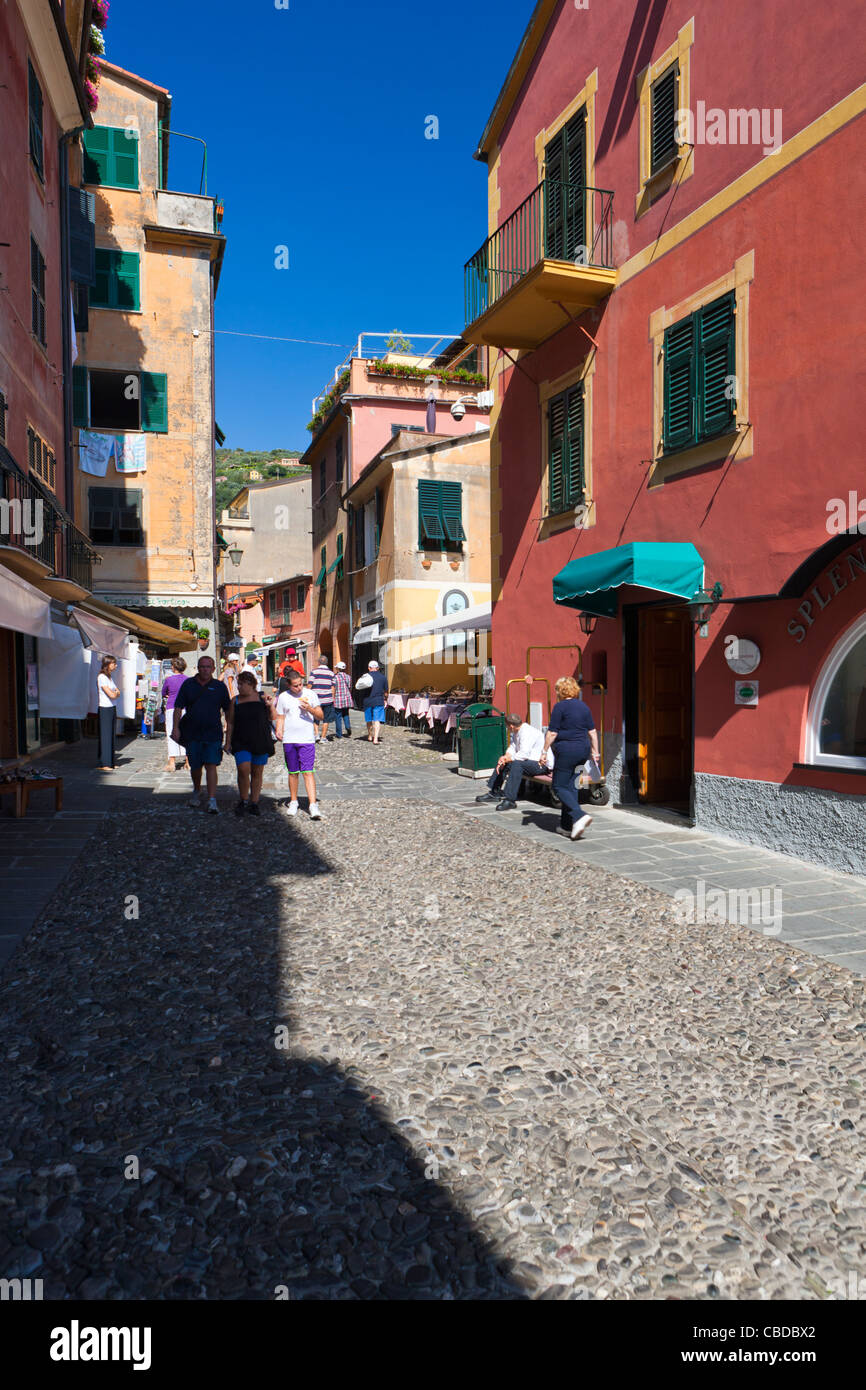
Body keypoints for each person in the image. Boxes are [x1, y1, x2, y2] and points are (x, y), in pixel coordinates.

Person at [540, 675, 600, 841]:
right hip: (583, 750)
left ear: (560, 691)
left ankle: (580, 815)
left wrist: (544, 751)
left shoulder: (560, 707)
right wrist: (596, 752)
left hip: (567, 750)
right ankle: (568, 826)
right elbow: (592, 732)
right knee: (571, 787)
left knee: (558, 786)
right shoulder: (583, 707)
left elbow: (552, 733)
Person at [172, 655, 234, 815]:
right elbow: (178, 707)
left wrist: (229, 736)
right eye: (202, 666)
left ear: (213, 669)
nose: (205, 669)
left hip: (213, 733)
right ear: (198, 668)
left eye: (208, 667)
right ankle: (197, 790)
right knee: (195, 766)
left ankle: (212, 799)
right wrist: (176, 728)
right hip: (192, 733)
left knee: (211, 765)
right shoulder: (188, 684)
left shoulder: (219, 687)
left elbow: (228, 711)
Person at [475, 712, 551, 810]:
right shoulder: (517, 731)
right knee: (506, 762)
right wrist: (505, 757)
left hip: (541, 765)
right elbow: (513, 747)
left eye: (507, 726)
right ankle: (495, 792)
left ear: (511, 726)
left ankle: (510, 800)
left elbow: (524, 754)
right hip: (528, 762)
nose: (507, 728)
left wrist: (508, 759)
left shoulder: (528, 732)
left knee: (517, 764)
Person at [275, 670, 323, 819]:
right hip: (290, 739)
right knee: (293, 772)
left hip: (306, 739)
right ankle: (294, 801)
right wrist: (278, 730)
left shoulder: (311, 694)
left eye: (301, 684)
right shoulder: (283, 697)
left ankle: (313, 805)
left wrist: (309, 708)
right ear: (288, 685)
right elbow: (281, 717)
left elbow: (321, 715)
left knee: (308, 771)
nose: (299, 688)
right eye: (295, 686)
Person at [228, 670, 274, 817]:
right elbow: (230, 722)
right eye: (238, 684)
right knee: (243, 769)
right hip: (240, 740)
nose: (239, 687)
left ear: (251, 684)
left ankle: (254, 802)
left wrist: (270, 705)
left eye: (241, 684)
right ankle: (243, 799)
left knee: (257, 772)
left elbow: (273, 717)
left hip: (260, 739)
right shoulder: (235, 701)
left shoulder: (261, 697)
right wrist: (227, 741)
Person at [161, 657, 187, 772]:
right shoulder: (188, 680)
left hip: (172, 707)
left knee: (171, 733)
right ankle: (188, 761)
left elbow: (163, 692)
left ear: (173, 667)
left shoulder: (169, 679)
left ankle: (172, 762)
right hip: (185, 708)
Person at [96, 655, 120, 770]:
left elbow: (117, 691)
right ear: (107, 664)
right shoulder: (102, 677)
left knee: (111, 735)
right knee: (105, 736)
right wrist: (115, 694)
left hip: (112, 707)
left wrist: (115, 693)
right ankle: (105, 763)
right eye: (113, 663)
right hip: (105, 708)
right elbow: (112, 694)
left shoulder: (109, 677)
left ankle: (110, 762)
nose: (115, 665)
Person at [361, 659, 388, 744]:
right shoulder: (383, 677)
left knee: (369, 720)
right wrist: (385, 699)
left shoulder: (365, 677)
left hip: (367, 700)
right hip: (378, 700)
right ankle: (375, 739)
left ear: (369, 668)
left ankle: (370, 735)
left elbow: (360, 687)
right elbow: (386, 692)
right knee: (377, 720)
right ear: (378, 668)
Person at [309, 653, 335, 741]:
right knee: (326, 719)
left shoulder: (314, 672)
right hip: (327, 699)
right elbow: (333, 687)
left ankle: (316, 735)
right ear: (327, 663)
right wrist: (333, 698)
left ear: (319, 663)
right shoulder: (331, 673)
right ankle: (323, 737)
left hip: (316, 700)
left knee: (316, 718)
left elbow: (309, 685)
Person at [332, 660, 354, 738]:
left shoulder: (335, 677)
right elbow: (349, 687)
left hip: (338, 699)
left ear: (338, 668)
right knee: (346, 713)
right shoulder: (348, 677)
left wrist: (332, 698)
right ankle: (347, 726)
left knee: (338, 716)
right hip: (347, 698)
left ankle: (339, 734)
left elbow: (333, 688)